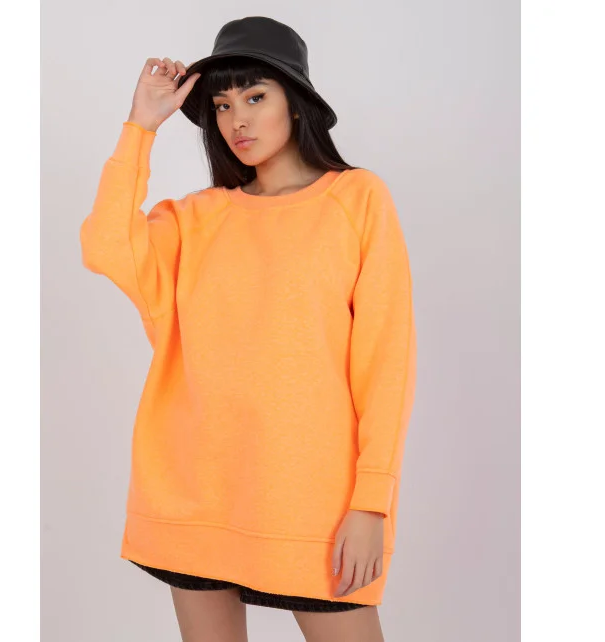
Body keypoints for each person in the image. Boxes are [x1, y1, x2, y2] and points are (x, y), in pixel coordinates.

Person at [80, 16, 416, 642]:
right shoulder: (196, 218)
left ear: (297, 104)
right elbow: (105, 246)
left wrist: (372, 503)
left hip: (310, 500)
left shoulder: (357, 200)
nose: (238, 120)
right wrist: (140, 127)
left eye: (256, 97)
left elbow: (386, 363)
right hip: (195, 492)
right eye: (223, 104)